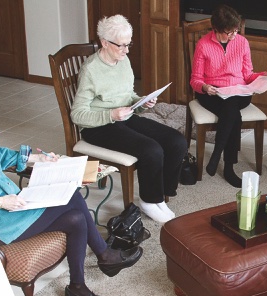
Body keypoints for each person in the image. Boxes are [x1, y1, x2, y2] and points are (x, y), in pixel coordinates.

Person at [0, 70, 142, 296]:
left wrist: (37, 158)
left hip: (14, 203)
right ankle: (105, 256)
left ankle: (79, 287)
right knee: (72, 198)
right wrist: (0, 202)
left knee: (76, 217)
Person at [71, 14, 187, 223]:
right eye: (121, 46)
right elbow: (77, 114)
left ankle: (160, 193)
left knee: (176, 140)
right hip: (99, 126)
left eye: (128, 44)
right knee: (151, 149)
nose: (126, 50)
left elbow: (128, 94)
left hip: (125, 115)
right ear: (104, 43)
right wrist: (110, 114)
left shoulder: (123, 61)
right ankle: (149, 201)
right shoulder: (91, 70)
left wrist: (141, 102)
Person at [190, 4, 267, 188]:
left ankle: (217, 154)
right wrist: (205, 87)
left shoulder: (242, 43)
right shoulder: (203, 45)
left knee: (231, 105)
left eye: (235, 31)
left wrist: (265, 75)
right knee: (232, 113)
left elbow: (248, 75)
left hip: (239, 92)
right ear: (215, 29)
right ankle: (228, 167)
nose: (233, 35)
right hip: (212, 93)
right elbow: (195, 79)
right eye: (228, 32)